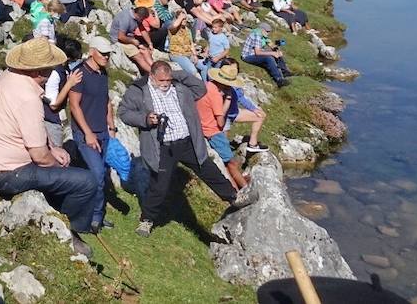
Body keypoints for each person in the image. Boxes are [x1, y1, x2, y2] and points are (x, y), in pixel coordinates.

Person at [0, 37, 96, 259]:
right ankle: (70, 232)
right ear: (37, 72)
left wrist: (53, 148)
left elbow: (30, 130)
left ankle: (61, 218)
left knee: (63, 174)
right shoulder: (27, 98)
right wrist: (56, 164)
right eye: (49, 69)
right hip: (9, 174)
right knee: (86, 182)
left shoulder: (9, 77)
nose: (52, 73)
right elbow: (40, 157)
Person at [119, 59, 238, 236]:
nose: (166, 84)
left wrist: (175, 74)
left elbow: (200, 88)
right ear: (151, 77)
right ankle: (147, 220)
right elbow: (124, 113)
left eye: (168, 80)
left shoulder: (179, 87)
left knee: (208, 168)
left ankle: (233, 197)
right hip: (162, 146)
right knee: (159, 185)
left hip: (187, 141)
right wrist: (145, 119)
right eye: (162, 81)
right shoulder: (138, 92)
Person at [68, 35, 118, 234]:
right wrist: (88, 133)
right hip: (86, 134)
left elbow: (106, 101)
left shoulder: (103, 73)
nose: (107, 57)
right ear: (92, 51)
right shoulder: (79, 73)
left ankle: (97, 215)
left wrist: (111, 127)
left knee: (101, 175)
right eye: (103, 53)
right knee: (97, 175)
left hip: (103, 132)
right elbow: (74, 105)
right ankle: (90, 217)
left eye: (108, 54)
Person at [198, 61, 268, 191]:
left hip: (204, 126)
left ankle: (237, 183)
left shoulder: (208, 85)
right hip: (212, 131)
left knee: (227, 159)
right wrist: (228, 100)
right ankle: (242, 189)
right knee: (231, 162)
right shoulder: (216, 96)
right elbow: (220, 122)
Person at [109, 0, 155, 74]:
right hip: (119, 41)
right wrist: (133, 41)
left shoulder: (136, 18)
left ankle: (155, 69)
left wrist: (150, 43)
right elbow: (120, 36)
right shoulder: (126, 19)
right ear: (138, 16)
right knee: (139, 56)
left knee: (146, 51)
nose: (143, 21)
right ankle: (153, 74)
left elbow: (142, 30)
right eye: (142, 19)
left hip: (129, 39)